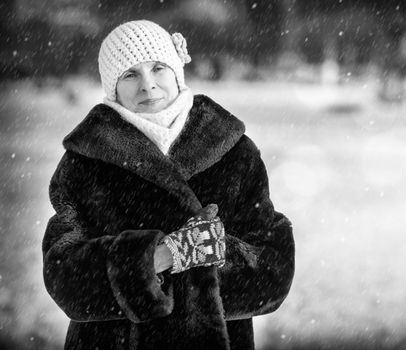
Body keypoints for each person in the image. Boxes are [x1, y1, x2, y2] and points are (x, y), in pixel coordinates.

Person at [42, 20, 294, 350]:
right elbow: (65, 279)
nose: (148, 85)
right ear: (112, 88)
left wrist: (217, 253)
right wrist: (159, 257)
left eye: (158, 68)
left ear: (177, 71)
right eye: (130, 74)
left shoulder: (235, 153)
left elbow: (273, 272)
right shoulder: (82, 163)